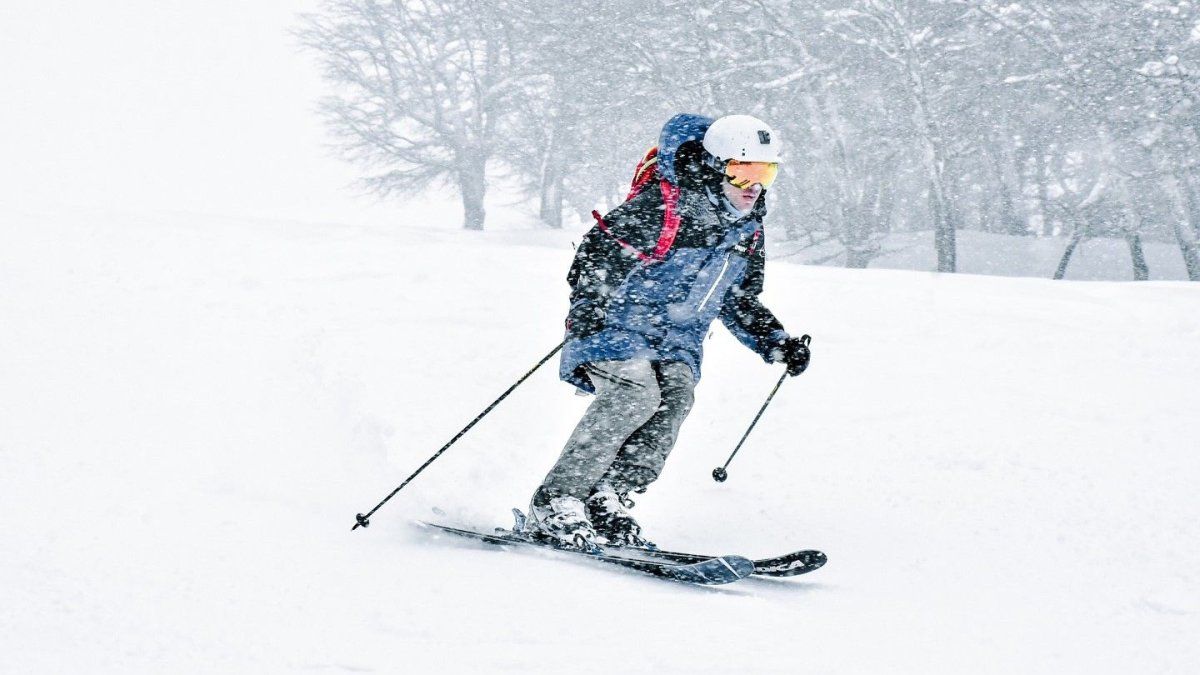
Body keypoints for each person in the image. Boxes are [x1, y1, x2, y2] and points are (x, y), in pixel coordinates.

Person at [525, 113, 811, 548]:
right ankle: (558, 500)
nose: (753, 184)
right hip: (613, 326)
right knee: (634, 392)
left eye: (764, 171)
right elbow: (596, 254)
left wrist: (775, 342)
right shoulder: (662, 208)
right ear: (715, 167)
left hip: (676, 341)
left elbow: (736, 298)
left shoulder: (748, 232)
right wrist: (590, 304)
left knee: (675, 395)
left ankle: (609, 495)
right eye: (741, 170)